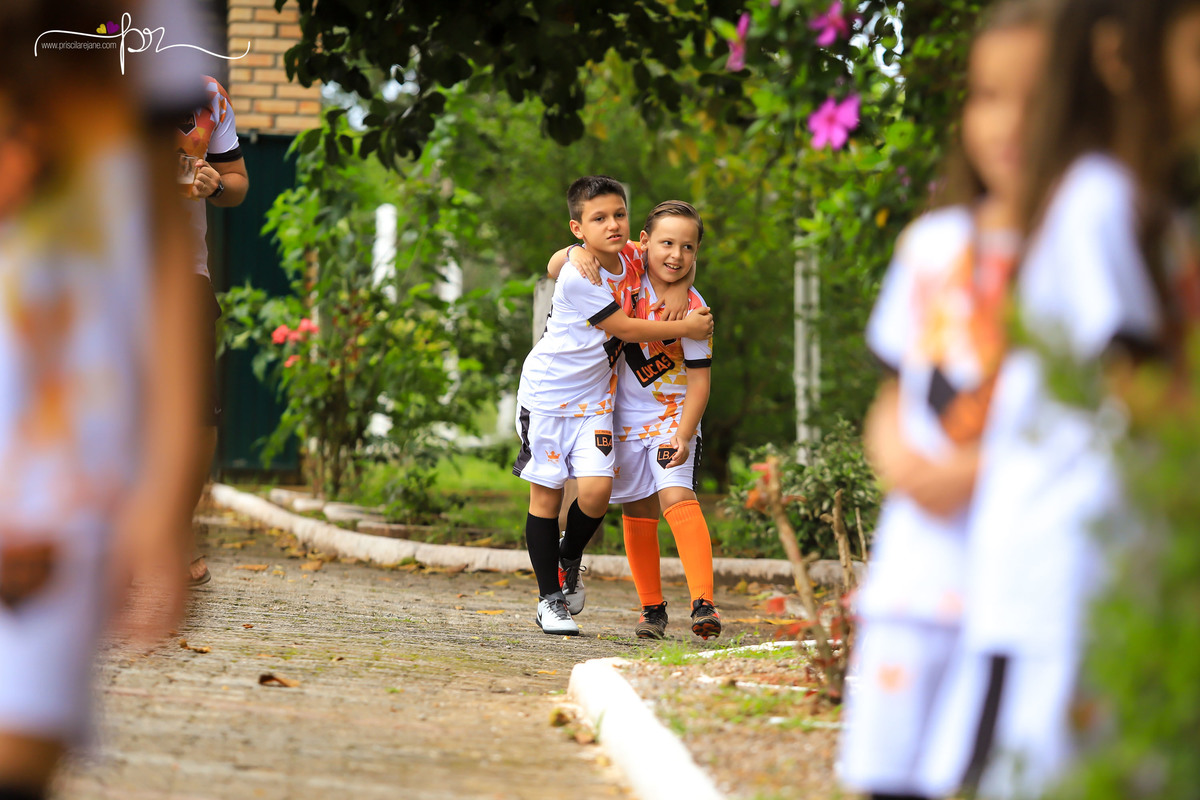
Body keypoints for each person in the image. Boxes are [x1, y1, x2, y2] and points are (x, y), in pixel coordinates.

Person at [919, 1, 1200, 797]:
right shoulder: (1100, 202)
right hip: (1060, 580)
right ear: (1119, 60)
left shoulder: (1141, 205)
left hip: (1112, 573)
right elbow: (1140, 390)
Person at [837, 4, 1048, 798]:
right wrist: (901, 460)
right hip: (916, 573)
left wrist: (978, 472)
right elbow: (895, 392)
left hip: (1016, 585)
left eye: (1035, 98)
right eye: (989, 95)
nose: (1008, 122)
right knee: (887, 774)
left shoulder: (1083, 252)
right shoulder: (932, 247)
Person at [0, 1, 202, 796]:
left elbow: (163, 248)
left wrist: (165, 488)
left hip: (56, 466)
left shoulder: (150, 17)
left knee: (17, 749)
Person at [514, 176, 713, 636]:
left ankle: (569, 557)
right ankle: (550, 599)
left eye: (619, 214)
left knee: (598, 493)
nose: (612, 224)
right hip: (548, 397)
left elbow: (675, 250)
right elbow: (624, 327)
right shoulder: (579, 274)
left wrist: (683, 289)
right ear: (578, 227)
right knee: (546, 495)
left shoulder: (630, 258)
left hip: (597, 399)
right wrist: (571, 252)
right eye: (599, 218)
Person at [602, 200, 720, 641]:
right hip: (621, 418)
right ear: (644, 243)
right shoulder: (627, 267)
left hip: (673, 417)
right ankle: (651, 609)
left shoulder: (695, 309)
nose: (676, 255)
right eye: (667, 243)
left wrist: (685, 434)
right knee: (637, 506)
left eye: (688, 248)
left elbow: (701, 383)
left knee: (675, 494)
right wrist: (575, 254)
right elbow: (563, 261)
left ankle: (703, 603)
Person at [177, 75, 249, 586]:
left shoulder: (207, 93)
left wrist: (216, 185)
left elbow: (238, 181)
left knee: (197, 415)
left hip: (182, 274)